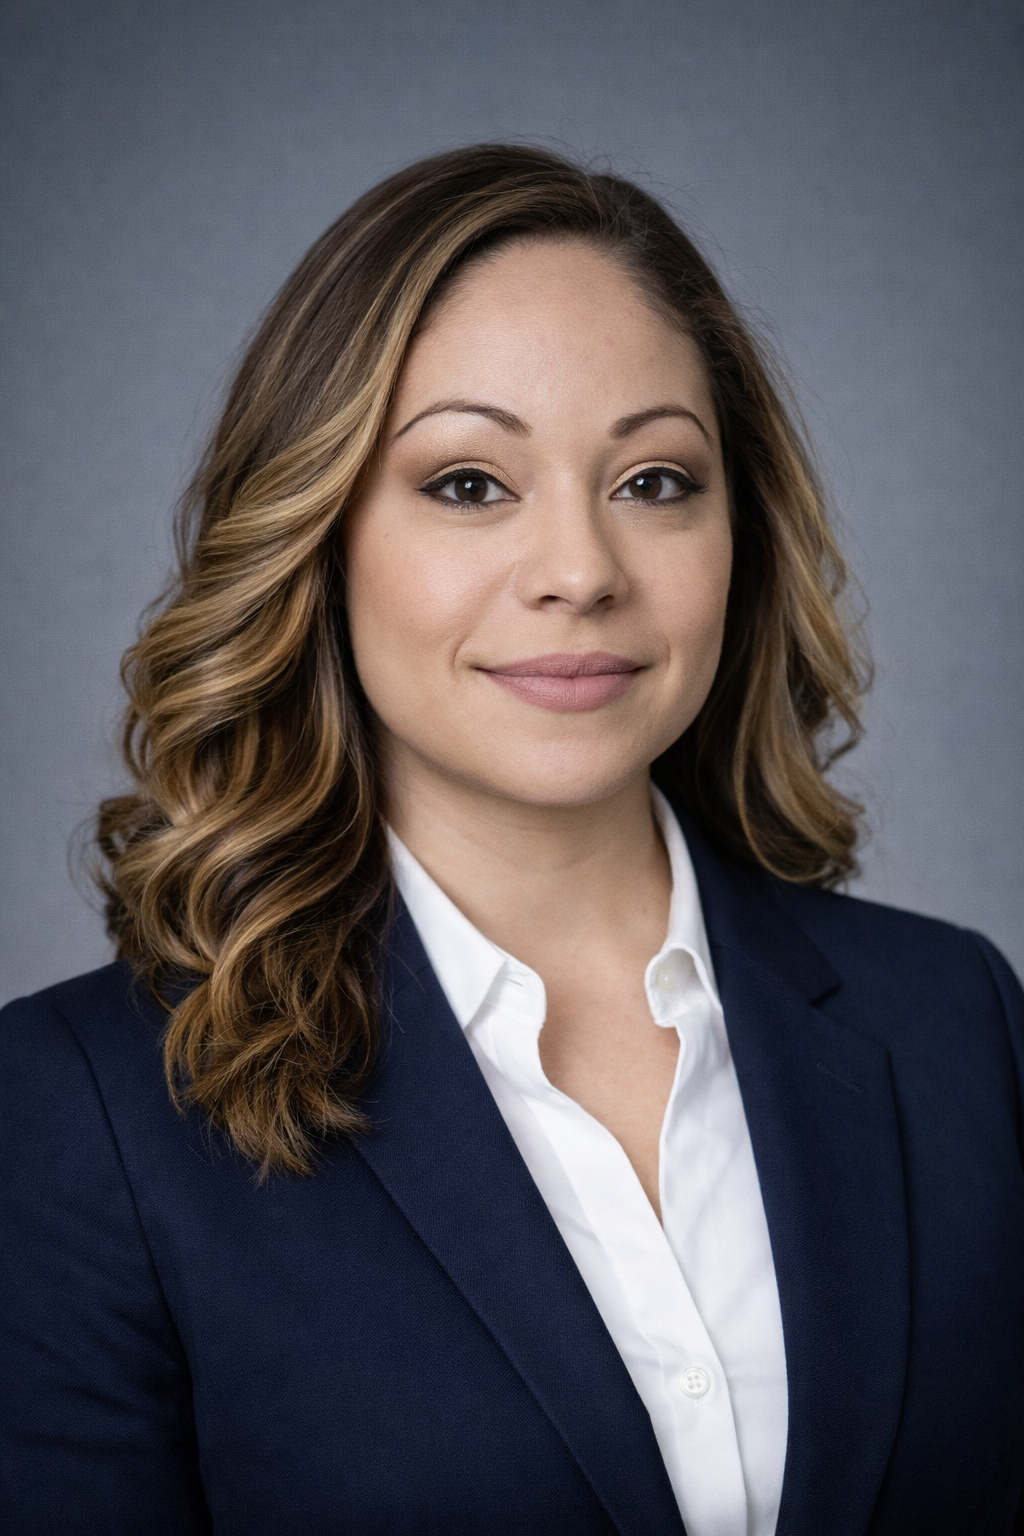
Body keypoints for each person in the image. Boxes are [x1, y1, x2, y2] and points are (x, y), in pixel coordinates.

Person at [1, 143, 1021, 1536]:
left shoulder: (958, 1025)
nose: (583, 571)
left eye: (654, 480)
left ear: (745, 533)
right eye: (469, 483)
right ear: (318, 537)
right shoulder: (81, 1114)